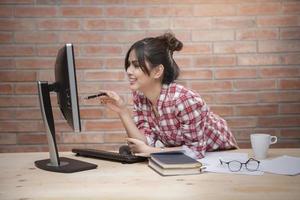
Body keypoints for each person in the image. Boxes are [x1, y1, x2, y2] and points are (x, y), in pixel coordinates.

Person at [98, 32, 238, 159]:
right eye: (128, 65)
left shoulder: (184, 99)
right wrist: (122, 111)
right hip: (188, 157)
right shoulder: (140, 97)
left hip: (221, 155)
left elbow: (195, 151)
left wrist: (152, 150)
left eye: (136, 65)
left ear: (158, 71)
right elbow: (143, 143)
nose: (128, 71)